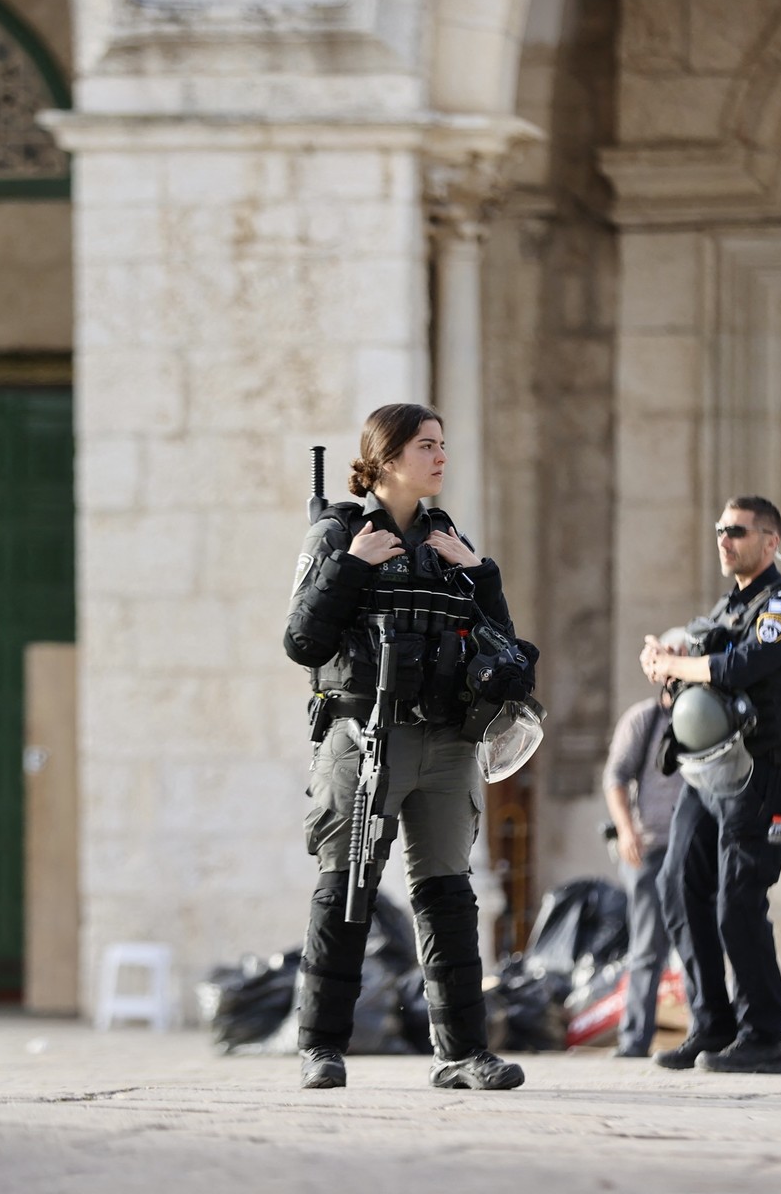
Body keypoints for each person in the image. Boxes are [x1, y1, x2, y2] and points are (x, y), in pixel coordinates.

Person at [284, 403, 531, 1091]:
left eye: (444, 444)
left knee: (450, 896)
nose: (441, 457)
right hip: (364, 735)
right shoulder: (339, 533)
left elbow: (505, 649)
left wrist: (481, 574)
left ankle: (461, 1054)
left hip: (447, 742)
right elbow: (302, 641)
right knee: (345, 889)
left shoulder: (448, 540)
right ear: (386, 458)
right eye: (427, 446)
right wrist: (351, 569)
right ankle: (320, 1048)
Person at [638, 496, 781, 1075]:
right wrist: (669, 657)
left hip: (763, 769)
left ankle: (763, 1036)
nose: (724, 540)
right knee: (677, 886)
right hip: (709, 771)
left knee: (738, 902)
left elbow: (743, 666)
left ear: (770, 541)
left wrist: (679, 667)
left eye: (737, 531)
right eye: (720, 530)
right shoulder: (729, 607)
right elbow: (704, 657)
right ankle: (712, 1024)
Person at [600, 685, 681, 1057]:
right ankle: (634, 1040)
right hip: (647, 849)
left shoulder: (707, 715)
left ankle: (708, 1035)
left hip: (690, 850)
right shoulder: (643, 720)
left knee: (697, 945)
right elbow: (615, 777)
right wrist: (626, 831)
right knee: (648, 947)